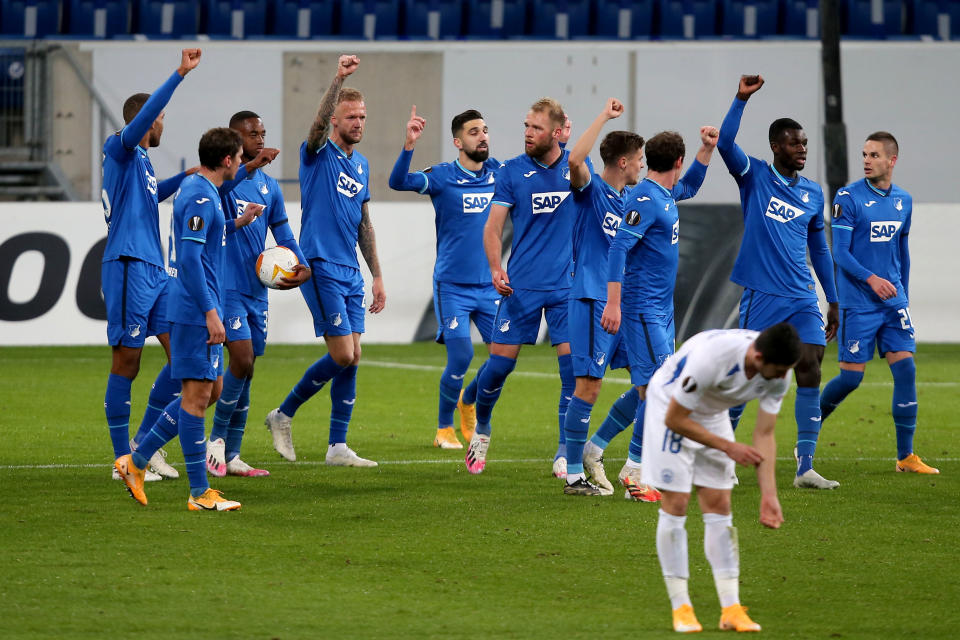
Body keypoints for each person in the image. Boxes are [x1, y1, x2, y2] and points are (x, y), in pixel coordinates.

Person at [114, 127, 263, 511]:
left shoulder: (206, 191)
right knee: (197, 399)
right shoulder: (199, 193)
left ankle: (138, 458)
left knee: (209, 392)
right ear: (228, 160)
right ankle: (199, 493)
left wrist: (238, 223)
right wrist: (212, 313)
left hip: (200, 306)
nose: (242, 163)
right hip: (196, 310)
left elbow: (206, 241)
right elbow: (192, 259)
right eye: (240, 158)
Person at [716, 74, 841, 490]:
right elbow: (725, 144)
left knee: (810, 366)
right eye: (794, 142)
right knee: (746, 372)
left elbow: (819, 249)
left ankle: (805, 466)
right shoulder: (755, 176)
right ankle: (723, 454)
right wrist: (740, 99)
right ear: (776, 146)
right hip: (762, 295)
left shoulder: (812, 192)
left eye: (805, 142)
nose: (802, 148)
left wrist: (833, 299)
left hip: (802, 295)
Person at [264, 54, 385, 467]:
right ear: (335, 120)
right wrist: (337, 79)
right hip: (318, 263)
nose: (358, 123)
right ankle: (283, 414)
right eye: (351, 117)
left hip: (350, 269)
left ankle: (337, 446)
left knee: (355, 355)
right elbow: (314, 128)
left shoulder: (362, 164)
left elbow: (364, 223)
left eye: (363, 117)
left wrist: (378, 276)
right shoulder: (316, 153)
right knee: (341, 355)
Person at [642, 324, 800, 633]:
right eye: (779, 371)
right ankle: (681, 607)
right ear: (757, 357)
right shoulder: (712, 358)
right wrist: (728, 446)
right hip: (669, 406)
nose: (783, 378)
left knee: (719, 503)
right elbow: (675, 419)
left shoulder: (780, 371)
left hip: (712, 413)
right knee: (677, 501)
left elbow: (765, 434)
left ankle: (730, 608)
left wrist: (769, 495)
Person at [600, 127, 718, 502]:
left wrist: (706, 149)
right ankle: (635, 471)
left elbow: (693, 185)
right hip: (641, 308)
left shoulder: (665, 193)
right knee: (661, 389)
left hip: (661, 309)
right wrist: (614, 303)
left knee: (646, 388)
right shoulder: (646, 199)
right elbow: (619, 248)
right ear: (676, 162)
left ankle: (595, 446)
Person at [101, 49, 201, 483]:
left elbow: (154, 193)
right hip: (127, 265)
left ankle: (146, 446)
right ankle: (123, 460)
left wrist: (188, 176)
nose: (162, 125)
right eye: (159, 118)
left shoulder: (141, 162)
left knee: (184, 359)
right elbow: (140, 123)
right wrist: (179, 75)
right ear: (147, 118)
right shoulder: (119, 148)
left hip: (156, 271)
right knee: (127, 361)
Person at [465, 97, 576, 476]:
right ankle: (481, 429)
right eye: (526, 126)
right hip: (520, 287)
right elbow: (493, 227)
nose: (528, 133)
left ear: (557, 132)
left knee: (571, 372)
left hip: (566, 288)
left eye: (536, 128)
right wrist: (496, 268)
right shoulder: (511, 171)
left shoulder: (577, 167)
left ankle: (564, 450)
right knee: (497, 369)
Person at [820, 132, 938, 474]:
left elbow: (902, 250)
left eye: (874, 155)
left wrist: (904, 293)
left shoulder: (904, 200)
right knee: (850, 379)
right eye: (864, 154)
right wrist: (871, 279)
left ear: (892, 160)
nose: (867, 160)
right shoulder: (849, 198)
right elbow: (840, 252)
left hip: (893, 303)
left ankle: (906, 457)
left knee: (906, 369)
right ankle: (810, 426)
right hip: (858, 302)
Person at [205, 111, 311, 478]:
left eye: (262, 133)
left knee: (247, 371)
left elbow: (283, 233)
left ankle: (232, 454)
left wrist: (301, 262)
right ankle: (215, 442)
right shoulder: (224, 182)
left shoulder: (269, 187)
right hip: (226, 285)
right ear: (234, 139)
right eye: (252, 134)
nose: (260, 139)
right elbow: (216, 217)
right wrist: (248, 166)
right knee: (242, 359)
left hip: (256, 291)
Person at [388, 107, 501, 449]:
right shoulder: (441, 176)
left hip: (489, 284)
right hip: (452, 285)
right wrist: (409, 145)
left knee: (502, 357)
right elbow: (398, 182)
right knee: (462, 356)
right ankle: (443, 429)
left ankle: (468, 399)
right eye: (473, 131)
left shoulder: (499, 173)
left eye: (484, 130)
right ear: (457, 141)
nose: (482, 136)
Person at [561, 97, 644, 495]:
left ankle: (597, 447)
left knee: (652, 382)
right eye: (639, 159)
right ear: (624, 162)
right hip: (593, 299)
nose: (643, 165)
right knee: (588, 387)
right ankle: (575, 474)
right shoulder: (591, 190)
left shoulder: (631, 202)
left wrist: (703, 153)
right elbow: (576, 159)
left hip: (623, 304)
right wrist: (604, 117)